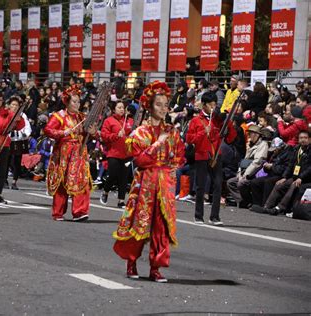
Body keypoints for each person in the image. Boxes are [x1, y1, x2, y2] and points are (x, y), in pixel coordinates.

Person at [112, 81, 185, 282]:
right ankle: (131, 263)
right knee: (139, 223)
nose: (163, 109)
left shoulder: (172, 131)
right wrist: (158, 144)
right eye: (159, 104)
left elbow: (180, 155)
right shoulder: (140, 133)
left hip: (164, 185)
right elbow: (140, 160)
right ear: (149, 107)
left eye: (165, 105)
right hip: (144, 184)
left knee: (161, 228)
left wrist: (171, 170)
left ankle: (156, 268)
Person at [44, 85, 98, 221]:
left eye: (78, 101)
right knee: (62, 181)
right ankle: (58, 212)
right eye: (74, 101)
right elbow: (47, 130)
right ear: (67, 102)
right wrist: (62, 133)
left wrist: (92, 133)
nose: (77, 104)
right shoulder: (59, 116)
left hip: (79, 152)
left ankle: (80, 212)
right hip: (63, 153)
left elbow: (90, 134)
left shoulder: (82, 117)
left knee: (82, 180)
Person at [186, 91, 237, 225]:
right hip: (201, 155)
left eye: (215, 104)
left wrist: (228, 121)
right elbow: (189, 139)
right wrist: (204, 132)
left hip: (216, 155)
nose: (213, 107)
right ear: (204, 105)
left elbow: (231, 137)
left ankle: (214, 216)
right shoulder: (195, 120)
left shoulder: (217, 119)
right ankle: (198, 216)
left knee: (218, 185)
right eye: (210, 105)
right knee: (200, 186)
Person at [252, 130, 311, 215]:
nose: (303, 140)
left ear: (309, 139)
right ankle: (267, 207)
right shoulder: (297, 149)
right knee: (279, 184)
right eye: (301, 138)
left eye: (305, 138)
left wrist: (301, 178)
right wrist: (284, 177)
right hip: (295, 177)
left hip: (305, 178)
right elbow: (290, 165)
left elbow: (309, 168)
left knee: (293, 185)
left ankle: (279, 208)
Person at [100, 100, 133, 208]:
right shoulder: (109, 121)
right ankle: (105, 191)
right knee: (113, 174)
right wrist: (116, 135)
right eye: (119, 107)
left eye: (123, 107)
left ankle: (121, 200)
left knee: (124, 177)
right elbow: (104, 136)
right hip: (113, 152)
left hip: (126, 153)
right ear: (114, 109)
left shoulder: (129, 121)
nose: (122, 109)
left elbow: (134, 132)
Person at [226, 124, 269, 208]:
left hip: (254, 173)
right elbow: (244, 161)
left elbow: (257, 162)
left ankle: (248, 201)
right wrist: (239, 174)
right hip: (245, 170)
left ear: (257, 135)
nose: (249, 135)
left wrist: (246, 175)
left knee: (241, 183)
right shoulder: (250, 144)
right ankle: (242, 201)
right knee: (230, 182)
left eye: (251, 133)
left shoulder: (263, 145)